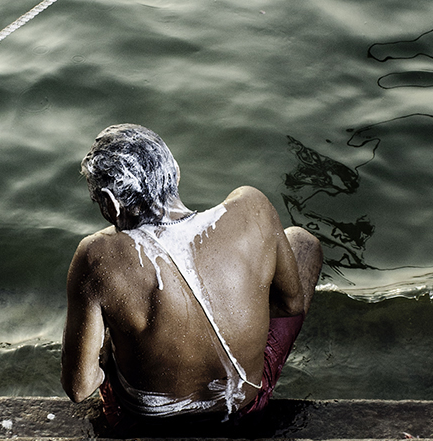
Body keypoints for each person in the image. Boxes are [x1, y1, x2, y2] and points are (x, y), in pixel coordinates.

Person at [61, 125, 322, 423]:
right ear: (177, 172)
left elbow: (80, 388)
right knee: (303, 242)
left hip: (145, 423)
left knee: (109, 316)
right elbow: (290, 305)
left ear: (110, 201)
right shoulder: (253, 206)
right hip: (242, 406)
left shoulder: (96, 254)